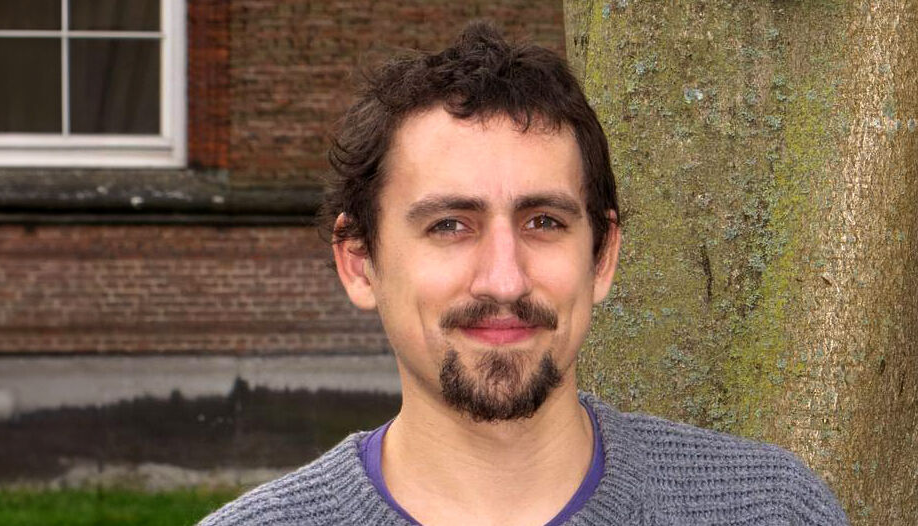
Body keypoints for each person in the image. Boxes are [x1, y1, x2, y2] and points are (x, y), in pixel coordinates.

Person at [200, 21, 848, 526]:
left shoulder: (771, 509)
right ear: (359, 262)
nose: (504, 280)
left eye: (543, 222)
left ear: (602, 256)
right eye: (449, 225)